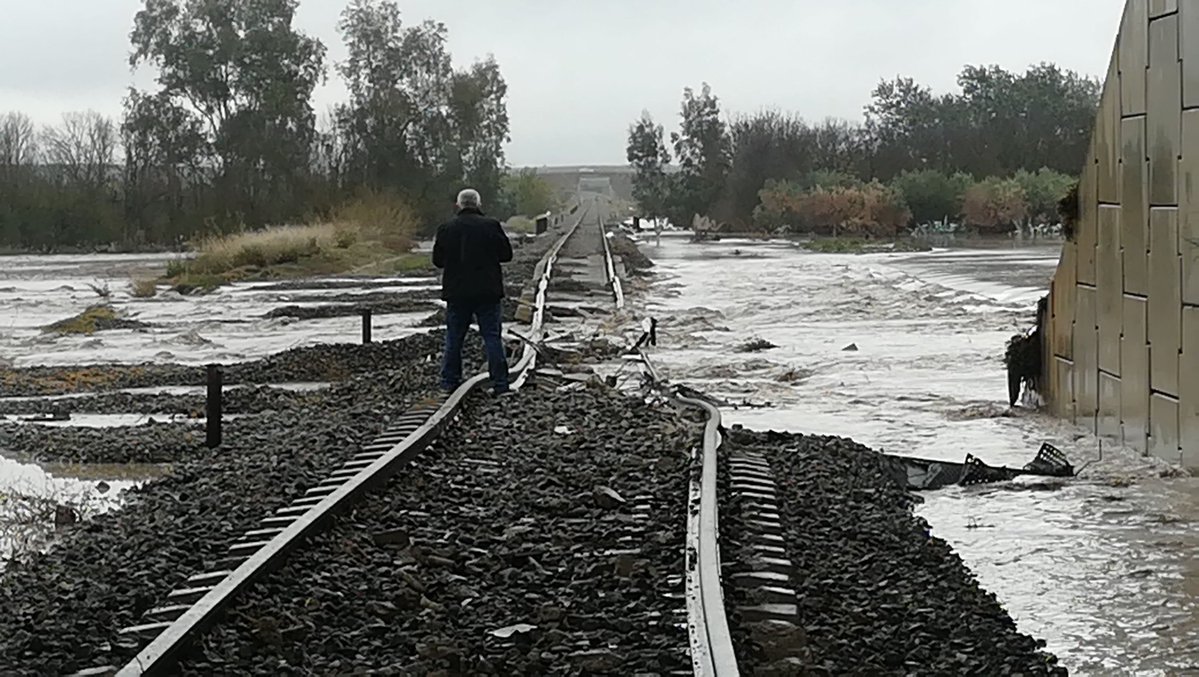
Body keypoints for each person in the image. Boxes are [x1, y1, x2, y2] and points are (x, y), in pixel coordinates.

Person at [432, 188, 514, 395]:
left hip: (457, 293)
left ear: (458, 205)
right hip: (488, 291)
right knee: (492, 337)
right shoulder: (491, 226)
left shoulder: (446, 228)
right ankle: (501, 384)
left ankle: (449, 382)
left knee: (454, 338)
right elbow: (506, 255)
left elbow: (438, 261)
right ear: (479, 204)